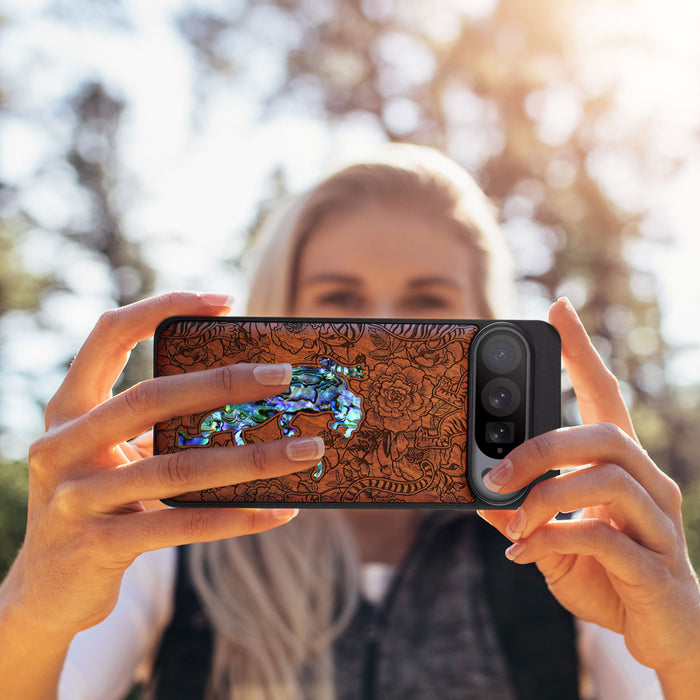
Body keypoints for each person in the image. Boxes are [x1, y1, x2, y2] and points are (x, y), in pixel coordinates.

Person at [0, 145, 698, 700]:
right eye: (340, 300)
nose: (384, 327)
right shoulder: (171, 534)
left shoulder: (566, 543)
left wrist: (685, 649)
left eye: (427, 302)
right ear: (279, 314)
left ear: (487, 323)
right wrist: (34, 607)